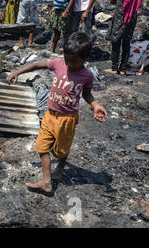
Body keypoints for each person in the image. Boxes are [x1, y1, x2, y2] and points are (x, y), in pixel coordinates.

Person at [6, 32, 107, 193]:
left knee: (62, 150)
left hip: (67, 119)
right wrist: (17, 72)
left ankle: (60, 165)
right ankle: (47, 182)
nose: (69, 63)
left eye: (74, 61)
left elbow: (87, 94)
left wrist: (95, 105)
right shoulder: (59, 64)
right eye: (67, 59)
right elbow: (36, 65)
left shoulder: (87, 75)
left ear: (85, 59)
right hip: (50, 115)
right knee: (41, 147)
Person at [106, 0, 145, 75]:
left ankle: (114, 67)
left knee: (116, 40)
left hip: (120, 15)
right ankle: (123, 69)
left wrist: (115, 2)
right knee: (127, 42)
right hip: (133, 16)